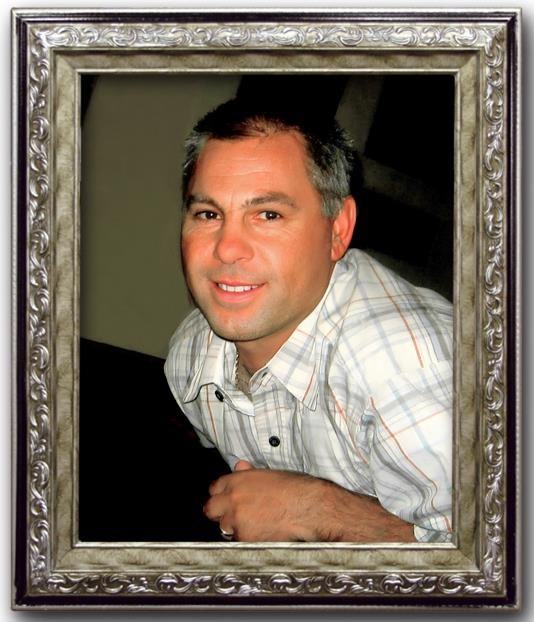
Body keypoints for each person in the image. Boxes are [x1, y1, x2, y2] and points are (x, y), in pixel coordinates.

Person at [164, 98, 453, 543]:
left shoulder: (410, 373)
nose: (227, 248)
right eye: (209, 214)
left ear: (337, 229)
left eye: (268, 214)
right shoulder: (188, 358)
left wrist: (320, 512)